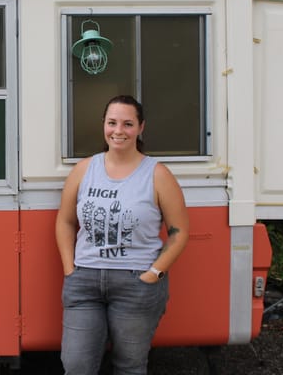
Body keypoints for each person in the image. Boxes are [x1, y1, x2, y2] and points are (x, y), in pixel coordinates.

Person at [55, 94, 189, 375]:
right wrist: (70, 268)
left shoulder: (157, 174)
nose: (118, 131)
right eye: (112, 122)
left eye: (128, 124)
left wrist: (154, 273)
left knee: (129, 366)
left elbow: (179, 232)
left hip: (136, 284)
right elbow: (66, 221)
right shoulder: (83, 170)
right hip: (84, 282)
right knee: (76, 365)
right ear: (103, 125)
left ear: (141, 128)